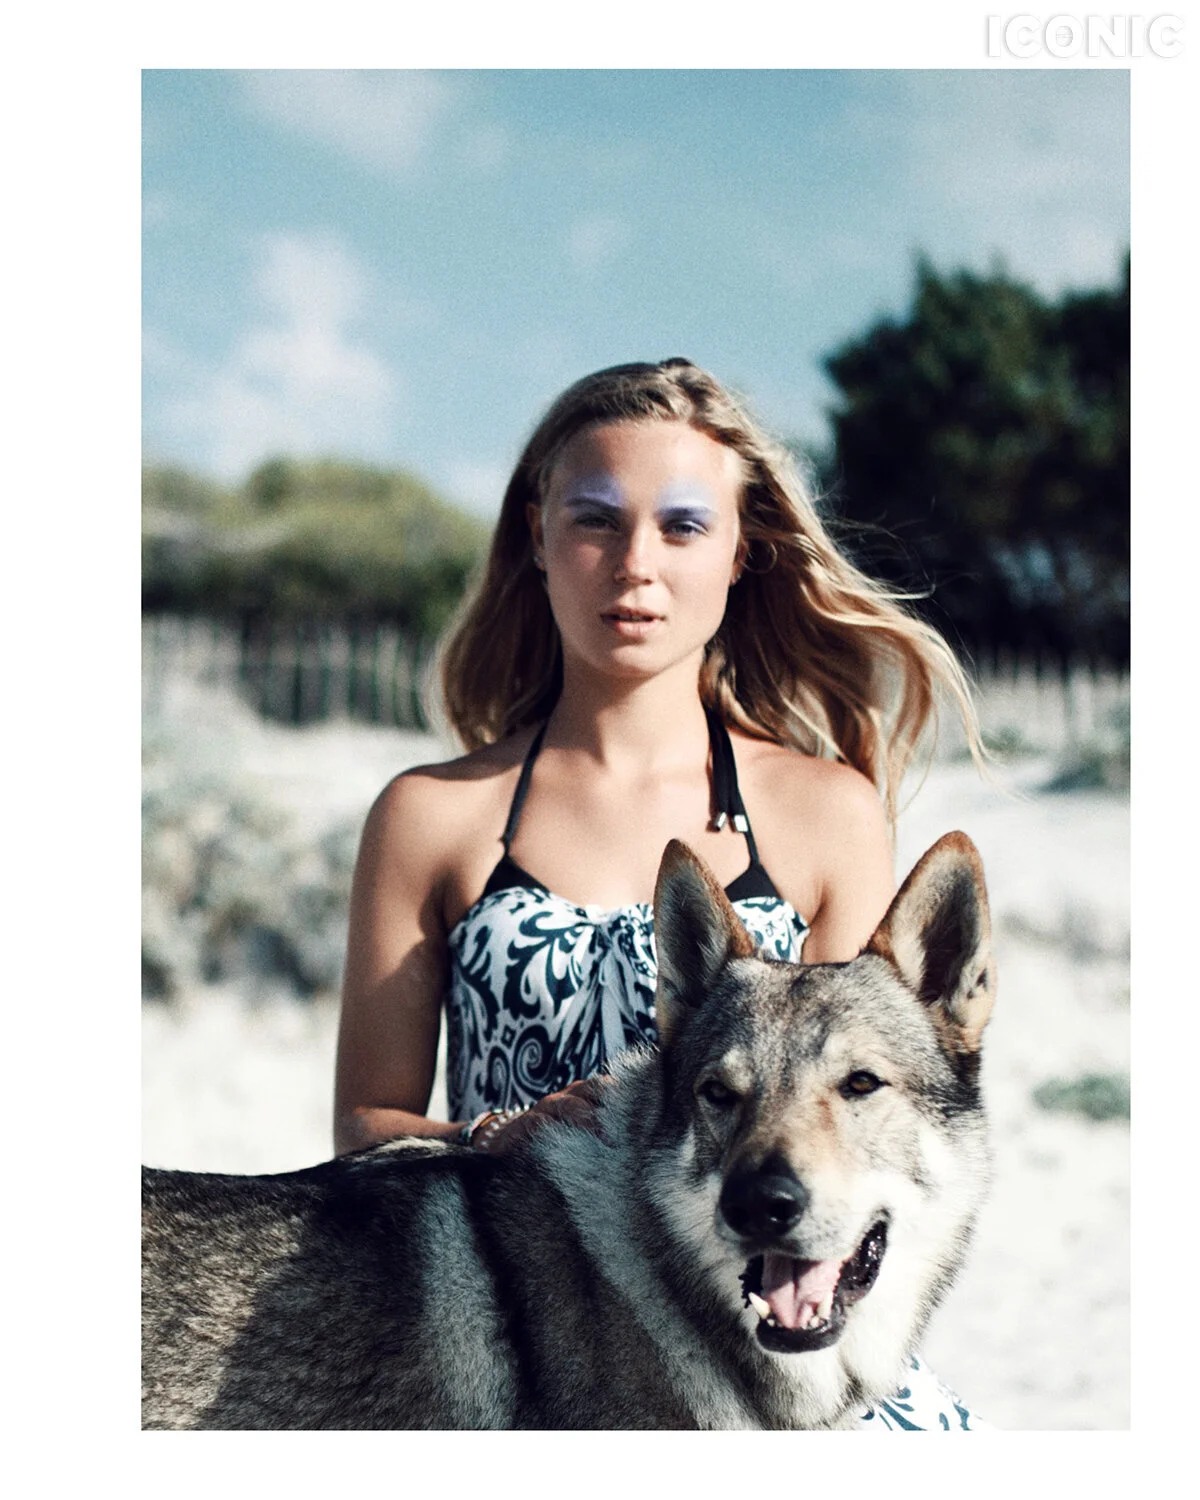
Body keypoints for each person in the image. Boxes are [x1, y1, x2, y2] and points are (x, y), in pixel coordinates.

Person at [334, 358, 986, 1430]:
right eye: (596, 520)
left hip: (751, 1332)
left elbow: (866, 1086)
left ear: (742, 551)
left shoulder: (826, 811)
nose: (635, 564)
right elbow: (364, 1127)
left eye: (683, 526)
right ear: (537, 537)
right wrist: (491, 1135)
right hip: (527, 1328)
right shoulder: (431, 816)